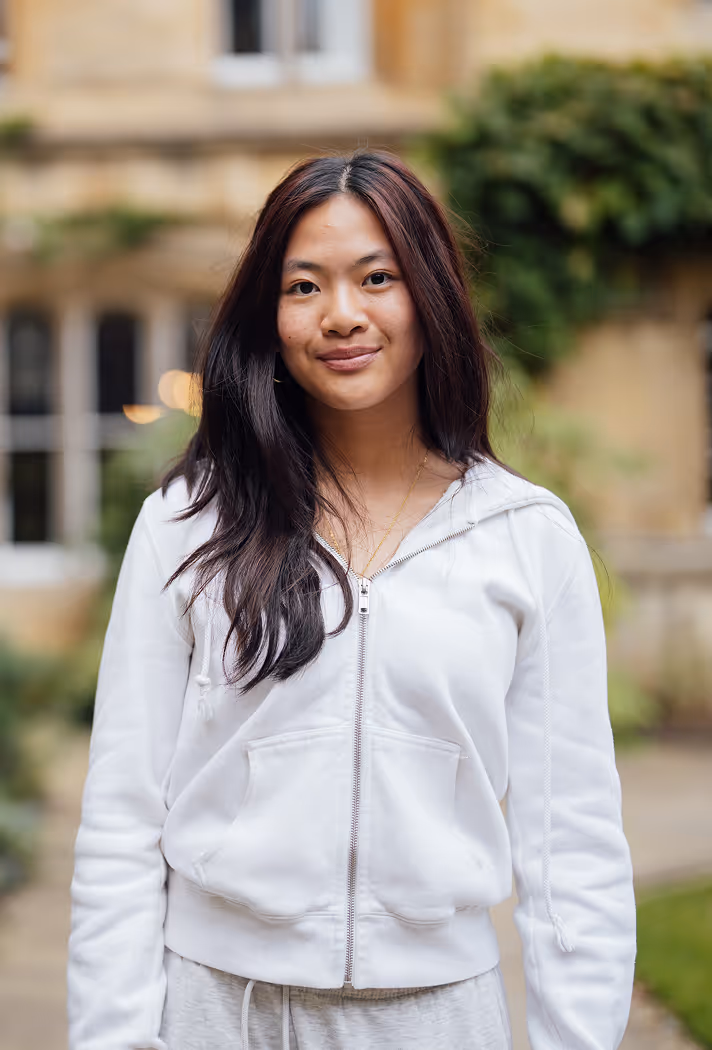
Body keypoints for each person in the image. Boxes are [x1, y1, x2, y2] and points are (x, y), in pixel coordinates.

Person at [68, 151, 636, 1050]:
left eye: (379, 278)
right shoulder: (188, 525)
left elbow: (572, 847)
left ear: (431, 298)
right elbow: (122, 819)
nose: (342, 315)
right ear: (270, 314)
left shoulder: (527, 536)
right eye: (304, 286)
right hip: (221, 1010)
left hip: (441, 1016)